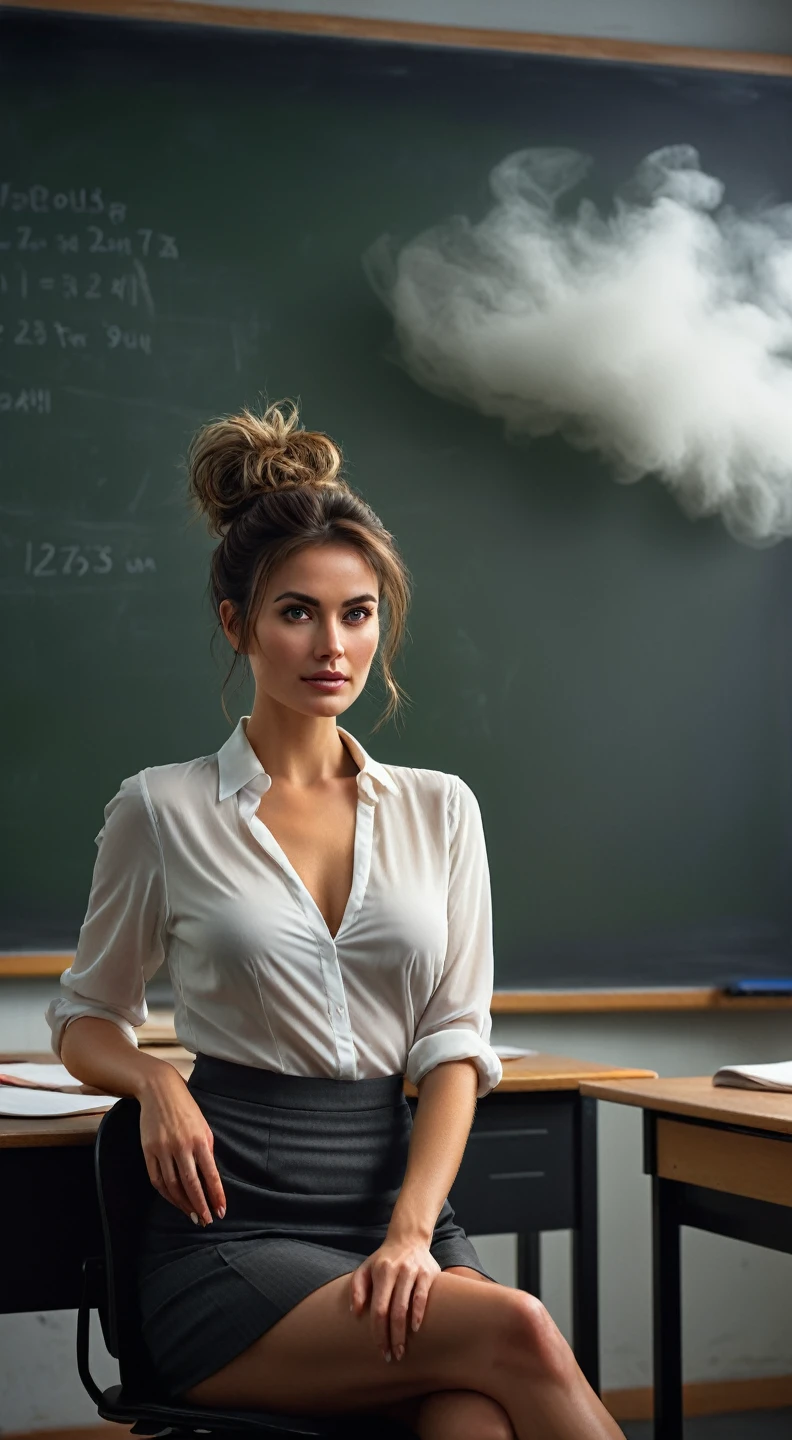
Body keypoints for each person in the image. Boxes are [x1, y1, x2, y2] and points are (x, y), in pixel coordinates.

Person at [46, 401, 626, 1440]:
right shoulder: (160, 810)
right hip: (232, 1237)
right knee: (524, 1338)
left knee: (474, 1420)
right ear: (237, 624)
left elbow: (454, 1047)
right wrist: (153, 1080)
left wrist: (411, 1236)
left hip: (399, 1215)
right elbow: (86, 1017)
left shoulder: (443, 808)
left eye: (358, 613)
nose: (334, 645)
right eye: (297, 612)